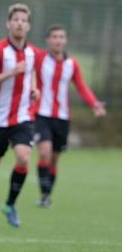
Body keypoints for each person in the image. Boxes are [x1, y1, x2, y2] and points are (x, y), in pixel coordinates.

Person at [0, 3, 39, 228]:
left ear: (29, 25)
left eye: (24, 20)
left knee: (24, 158)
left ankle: (10, 204)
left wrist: (34, 88)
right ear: (8, 23)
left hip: (23, 117)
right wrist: (11, 72)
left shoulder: (32, 52)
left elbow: (30, 73)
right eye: (16, 20)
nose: (20, 23)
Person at [33, 25, 106, 207]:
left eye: (61, 37)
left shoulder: (72, 64)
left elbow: (81, 86)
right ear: (48, 40)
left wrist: (94, 104)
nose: (58, 40)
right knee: (44, 152)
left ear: (65, 41)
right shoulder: (39, 58)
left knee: (55, 158)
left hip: (63, 118)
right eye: (54, 37)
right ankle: (43, 194)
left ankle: (47, 195)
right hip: (41, 115)